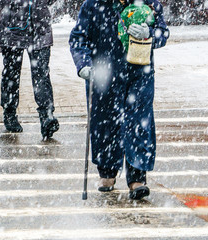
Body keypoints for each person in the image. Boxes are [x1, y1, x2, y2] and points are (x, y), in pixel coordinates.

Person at [69, 0, 169, 200]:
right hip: (104, 74)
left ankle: (137, 178)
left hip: (139, 74)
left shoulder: (148, 3)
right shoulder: (94, 4)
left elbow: (163, 32)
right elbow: (78, 37)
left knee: (139, 122)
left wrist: (149, 33)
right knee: (106, 121)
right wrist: (83, 64)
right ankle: (107, 172)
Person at [0, 0, 59, 140]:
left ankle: (47, 115)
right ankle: (9, 112)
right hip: (12, 29)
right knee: (11, 73)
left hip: (39, 28)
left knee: (41, 73)